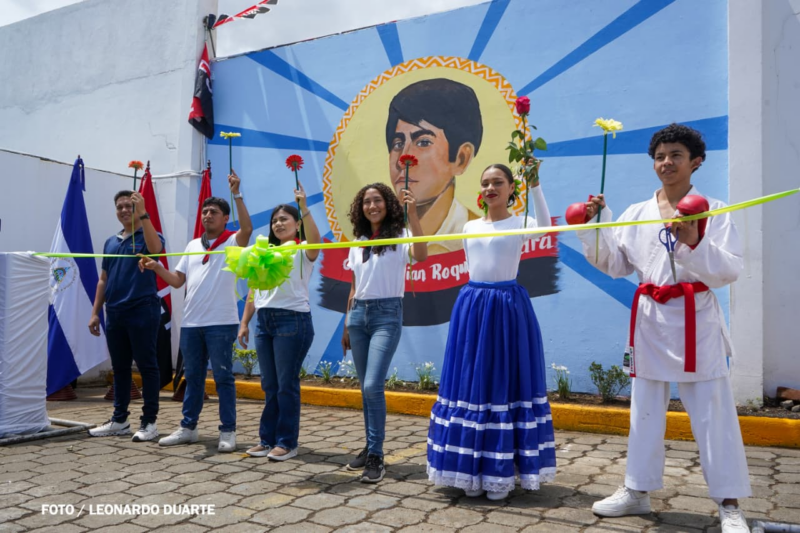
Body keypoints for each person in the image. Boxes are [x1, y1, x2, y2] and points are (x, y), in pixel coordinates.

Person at [574, 124, 751, 533]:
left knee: (713, 413)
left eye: (675, 155)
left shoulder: (713, 211)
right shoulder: (637, 213)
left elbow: (728, 271)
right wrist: (593, 225)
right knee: (645, 410)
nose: (666, 163)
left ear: (696, 162)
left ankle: (729, 503)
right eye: (659, 156)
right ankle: (637, 489)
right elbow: (615, 265)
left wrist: (694, 242)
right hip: (650, 318)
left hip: (695, 318)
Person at [426, 163, 556, 500]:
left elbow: (546, 227)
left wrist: (536, 185)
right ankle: (470, 470)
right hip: (472, 308)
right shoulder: (469, 226)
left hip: (507, 307)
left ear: (512, 188)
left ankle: (499, 471)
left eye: (498, 182)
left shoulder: (521, 223)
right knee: (473, 381)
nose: (490, 188)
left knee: (503, 381)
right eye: (485, 183)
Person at [139, 170, 252, 453]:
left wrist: (237, 194)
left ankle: (228, 431)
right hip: (191, 323)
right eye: (204, 212)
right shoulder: (192, 245)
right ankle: (188, 428)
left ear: (225, 218)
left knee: (223, 378)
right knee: (194, 378)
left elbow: (248, 230)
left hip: (221, 322)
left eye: (214, 212)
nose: (207, 215)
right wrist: (157, 267)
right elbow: (178, 281)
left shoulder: (232, 241)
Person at [341, 182, 428, 482]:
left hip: (386, 314)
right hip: (358, 315)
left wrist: (412, 214)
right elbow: (354, 286)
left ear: (388, 204)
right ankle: (370, 446)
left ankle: (377, 456)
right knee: (365, 389)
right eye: (366, 202)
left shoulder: (400, 235)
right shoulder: (358, 241)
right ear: (360, 208)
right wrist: (346, 323)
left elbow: (421, 254)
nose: (372, 206)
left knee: (372, 386)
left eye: (377, 200)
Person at [238, 182, 320, 461]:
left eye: (284, 219)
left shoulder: (302, 249)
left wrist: (304, 207)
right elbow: (254, 291)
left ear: (297, 225)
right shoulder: (264, 253)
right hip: (264, 322)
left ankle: (287, 442)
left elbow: (316, 242)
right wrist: (245, 322)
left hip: (292, 321)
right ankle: (267, 439)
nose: (278, 224)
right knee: (270, 385)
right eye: (274, 221)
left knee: (286, 385)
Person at [88, 190, 165, 442]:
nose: (123, 210)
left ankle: (149, 422)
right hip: (115, 312)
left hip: (142, 309)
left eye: (128, 206)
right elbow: (103, 279)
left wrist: (143, 214)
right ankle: (119, 420)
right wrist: (95, 313)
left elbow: (156, 249)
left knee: (147, 366)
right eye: (119, 207)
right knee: (120, 368)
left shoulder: (149, 234)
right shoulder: (110, 242)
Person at [386, 78, 482, 254]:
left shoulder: (478, 237)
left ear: (461, 158)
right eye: (398, 143)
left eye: (423, 142)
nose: (403, 160)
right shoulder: (382, 239)